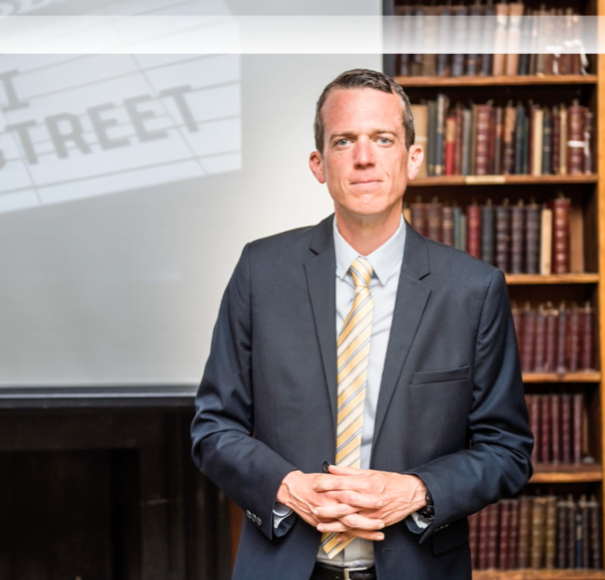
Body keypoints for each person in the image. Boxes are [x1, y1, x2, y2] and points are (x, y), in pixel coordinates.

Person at [190, 68, 533, 580]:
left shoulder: (473, 290)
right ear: (319, 164)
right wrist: (287, 487)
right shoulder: (260, 272)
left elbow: (507, 450)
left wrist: (418, 491)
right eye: (344, 140)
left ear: (412, 157)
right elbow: (213, 427)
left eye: (383, 139)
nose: (364, 157)